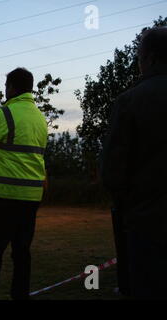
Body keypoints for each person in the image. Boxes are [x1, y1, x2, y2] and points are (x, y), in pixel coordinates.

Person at [0, 67, 48, 300]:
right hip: (32, 197)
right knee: (22, 253)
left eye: (6, 87)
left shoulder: (4, 114)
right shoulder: (40, 118)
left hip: (5, 196)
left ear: (11, 88)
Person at [101, 26, 167, 299]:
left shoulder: (130, 101)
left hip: (147, 225)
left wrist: (127, 205)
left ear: (149, 58)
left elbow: (112, 170)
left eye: (139, 56)